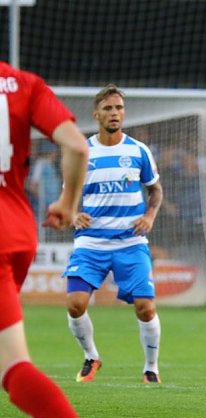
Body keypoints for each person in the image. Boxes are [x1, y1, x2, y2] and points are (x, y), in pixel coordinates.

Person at [0, 61, 122, 418]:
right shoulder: (23, 83)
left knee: (13, 366)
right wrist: (68, 205)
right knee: (10, 366)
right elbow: (74, 144)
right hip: (15, 234)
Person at [62, 85, 164, 384]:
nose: (114, 113)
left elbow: (155, 189)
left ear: (124, 113)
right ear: (96, 114)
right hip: (91, 243)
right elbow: (67, 196)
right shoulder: (82, 151)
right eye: (108, 108)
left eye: (119, 108)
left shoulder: (138, 150)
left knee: (146, 309)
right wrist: (71, 214)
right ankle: (91, 356)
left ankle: (151, 368)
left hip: (130, 243)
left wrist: (149, 216)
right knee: (75, 304)